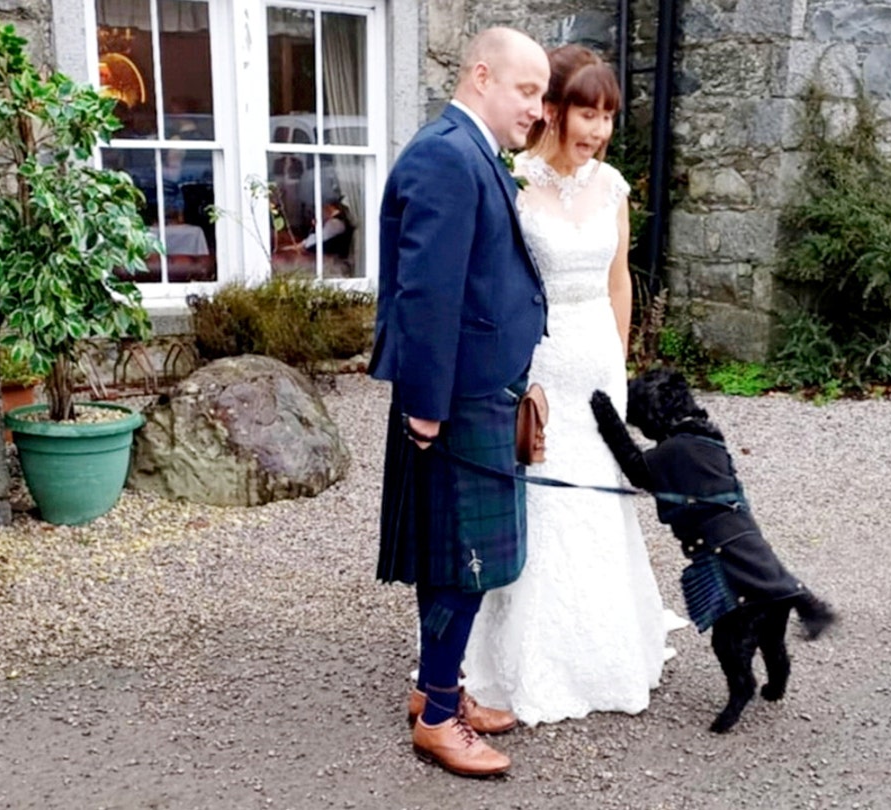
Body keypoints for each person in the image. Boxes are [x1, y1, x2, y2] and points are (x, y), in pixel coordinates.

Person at [462, 43, 684, 726]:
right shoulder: (514, 179)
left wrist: (617, 365)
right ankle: (521, 659)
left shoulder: (612, 185)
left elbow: (619, 279)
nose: (597, 131)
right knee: (541, 502)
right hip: (540, 361)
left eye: (609, 116)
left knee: (602, 500)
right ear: (553, 110)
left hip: (595, 357)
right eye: (587, 113)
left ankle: (608, 646)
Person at [369, 28, 550, 778]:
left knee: (454, 557)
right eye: (527, 90)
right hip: (457, 397)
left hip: (476, 388)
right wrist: (426, 406)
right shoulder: (449, 154)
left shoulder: (469, 150)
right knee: (463, 564)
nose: (537, 110)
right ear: (482, 75)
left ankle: (435, 689)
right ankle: (440, 722)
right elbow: (427, 292)